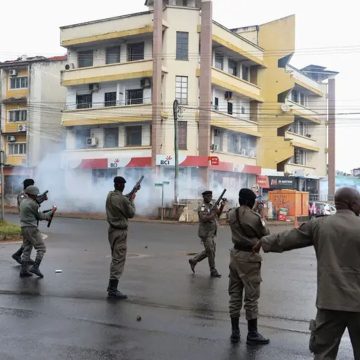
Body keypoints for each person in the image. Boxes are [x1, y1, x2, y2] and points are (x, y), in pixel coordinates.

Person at [253, 187, 360, 359]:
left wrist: (264, 242)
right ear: (353, 203)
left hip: (329, 304)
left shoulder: (320, 225)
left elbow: (290, 237)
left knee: (323, 354)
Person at [226, 188, 270, 345]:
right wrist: (261, 215)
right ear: (251, 202)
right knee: (251, 296)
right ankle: (252, 333)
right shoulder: (255, 217)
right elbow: (266, 233)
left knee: (235, 294)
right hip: (249, 258)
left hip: (235, 255)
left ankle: (235, 332)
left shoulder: (231, 213)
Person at [105, 176, 136, 299]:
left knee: (115, 258)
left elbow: (121, 199)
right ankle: (113, 289)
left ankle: (112, 287)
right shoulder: (123, 200)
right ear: (122, 185)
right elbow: (131, 213)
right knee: (118, 260)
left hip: (112, 232)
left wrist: (130, 195)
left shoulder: (110, 195)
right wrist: (132, 200)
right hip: (120, 232)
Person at [19, 185, 55, 278]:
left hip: (24, 227)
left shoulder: (23, 201)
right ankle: (35, 267)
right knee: (41, 248)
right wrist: (51, 211)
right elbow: (40, 216)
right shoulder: (33, 204)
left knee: (27, 248)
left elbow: (33, 210)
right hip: (32, 228)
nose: (36, 196)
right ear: (32, 194)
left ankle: (23, 271)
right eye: (35, 194)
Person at [188, 190, 226, 278]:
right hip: (205, 233)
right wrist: (213, 213)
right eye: (208, 196)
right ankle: (213, 270)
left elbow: (218, 214)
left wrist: (222, 205)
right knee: (211, 251)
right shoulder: (202, 207)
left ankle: (194, 260)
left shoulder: (212, 205)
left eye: (211, 196)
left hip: (211, 233)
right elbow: (203, 219)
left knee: (210, 251)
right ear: (204, 197)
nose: (210, 197)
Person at [12, 178, 35, 265]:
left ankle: (22, 256)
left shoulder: (29, 194)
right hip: (26, 220)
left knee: (29, 240)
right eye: (32, 184)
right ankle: (20, 256)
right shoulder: (22, 195)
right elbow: (25, 206)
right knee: (30, 240)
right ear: (29, 185)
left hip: (30, 219)